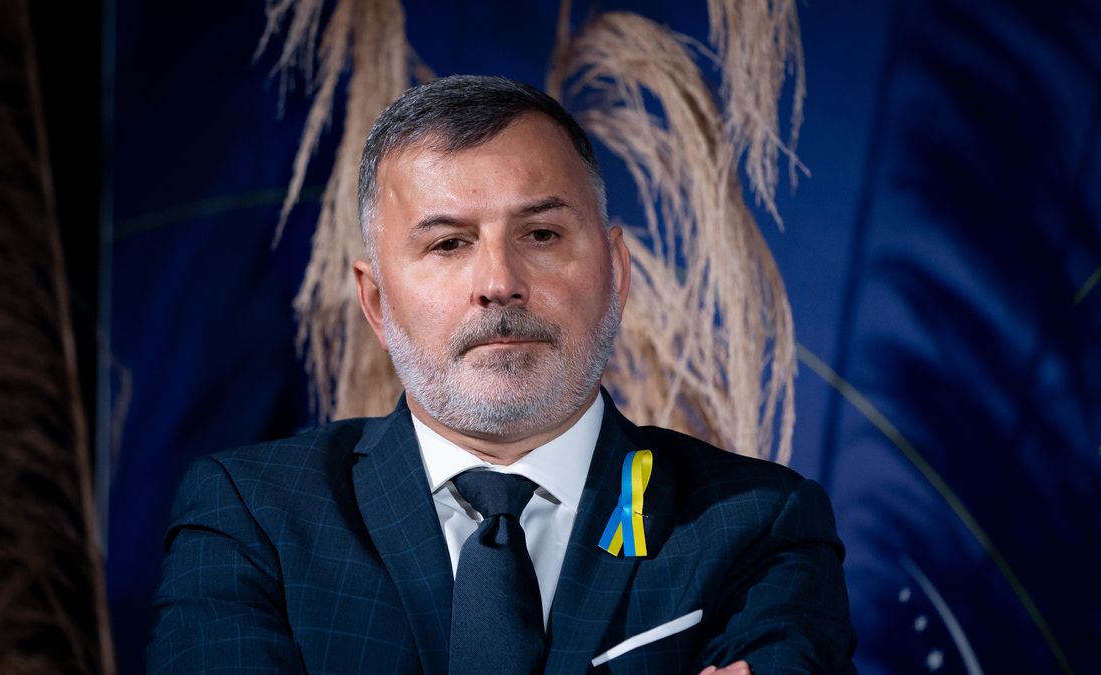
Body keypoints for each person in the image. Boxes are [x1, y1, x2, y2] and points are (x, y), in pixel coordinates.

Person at [148, 75, 856, 674]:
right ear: (377, 302)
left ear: (616, 274)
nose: (498, 282)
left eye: (541, 234)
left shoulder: (761, 524)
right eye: (448, 243)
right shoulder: (251, 515)